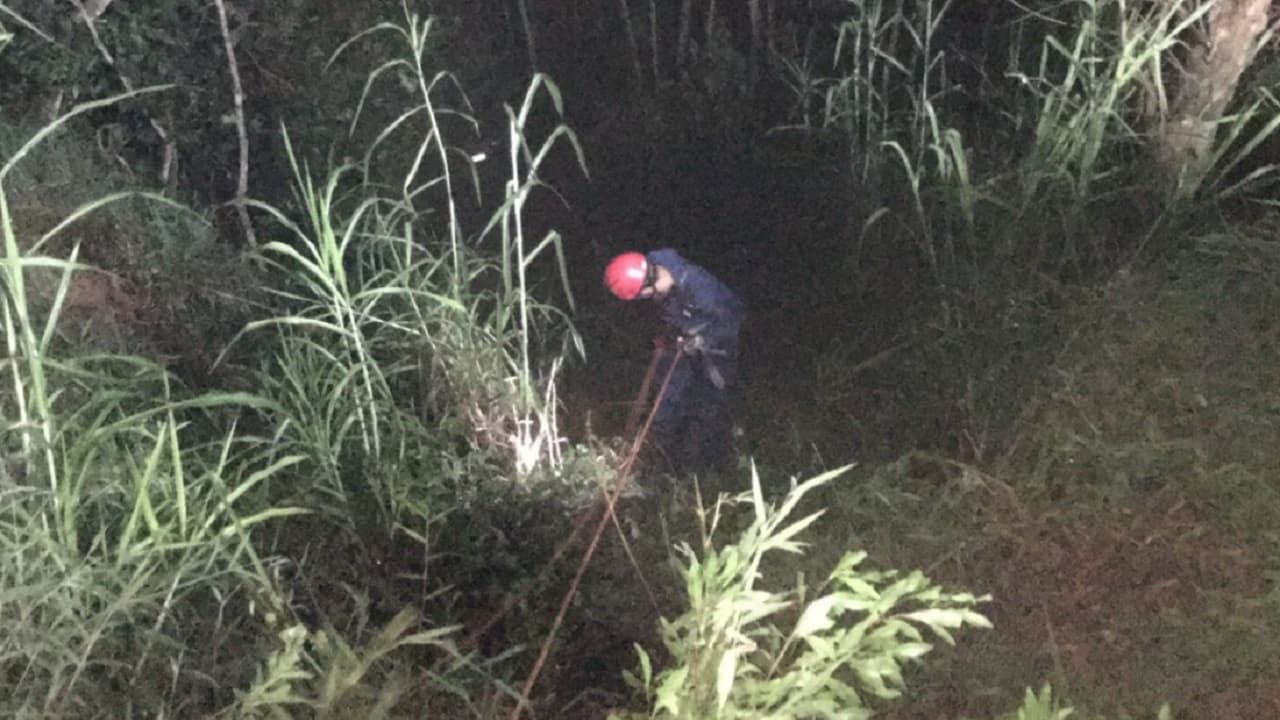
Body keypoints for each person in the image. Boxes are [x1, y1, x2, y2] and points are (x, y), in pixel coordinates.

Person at [604, 249, 745, 475]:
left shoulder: (700, 287)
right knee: (667, 400)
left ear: (650, 283)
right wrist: (668, 334)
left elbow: (733, 317)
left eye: (645, 295)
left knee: (707, 409)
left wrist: (700, 338)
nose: (649, 299)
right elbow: (670, 312)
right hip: (681, 345)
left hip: (716, 352)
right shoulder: (660, 273)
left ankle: (702, 471)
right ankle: (660, 465)